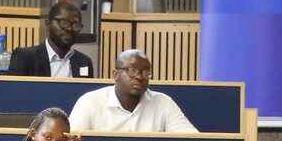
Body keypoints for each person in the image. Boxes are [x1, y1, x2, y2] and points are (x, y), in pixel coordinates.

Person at [68, 50, 198, 133]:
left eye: (145, 72)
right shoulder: (90, 102)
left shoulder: (163, 103)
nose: (139, 77)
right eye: (132, 70)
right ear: (115, 74)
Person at [7, 1, 94, 78]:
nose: (69, 29)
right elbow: (14, 93)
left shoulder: (84, 62)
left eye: (75, 25)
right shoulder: (25, 57)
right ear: (48, 24)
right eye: (64, 23)